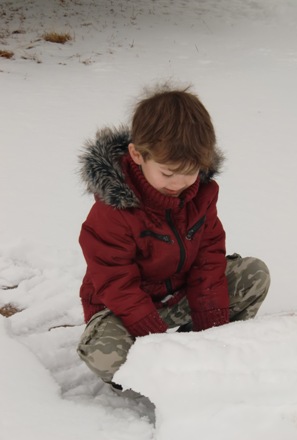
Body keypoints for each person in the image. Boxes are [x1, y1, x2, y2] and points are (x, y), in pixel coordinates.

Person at [77, 84, 270, 394]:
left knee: (253, 275)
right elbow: (116, 283)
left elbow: (208, 256)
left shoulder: (201, 196)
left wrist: (211, 331)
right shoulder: (113, 212)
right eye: (168, 173)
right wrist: (157, 342)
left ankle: (196, 356)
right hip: (124, 311)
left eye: (191, 171)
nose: (180, 183)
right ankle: (159, 380)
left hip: (179, 296)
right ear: (137, 155)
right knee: (103, 351)